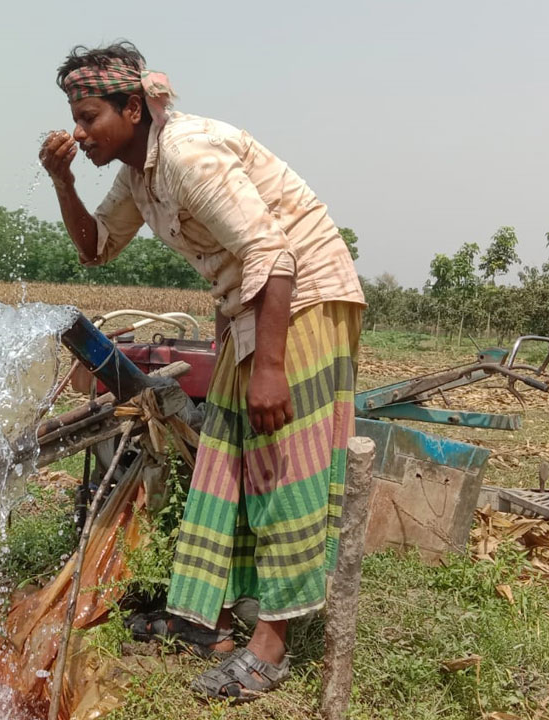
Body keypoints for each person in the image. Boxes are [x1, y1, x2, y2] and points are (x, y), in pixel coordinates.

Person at [38, 42, 366, 703]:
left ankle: (271, 645)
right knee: (228, 455)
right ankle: (210, 619)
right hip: (250, 300)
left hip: (303, 294)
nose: (79, 131)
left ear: (132, 108)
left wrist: (269, 367)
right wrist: (63, 182)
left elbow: (274, 255)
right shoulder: (139, 176)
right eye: (73, 116)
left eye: (90, 115)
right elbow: (96, 249)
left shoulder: (188, 157)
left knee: (281, 461)